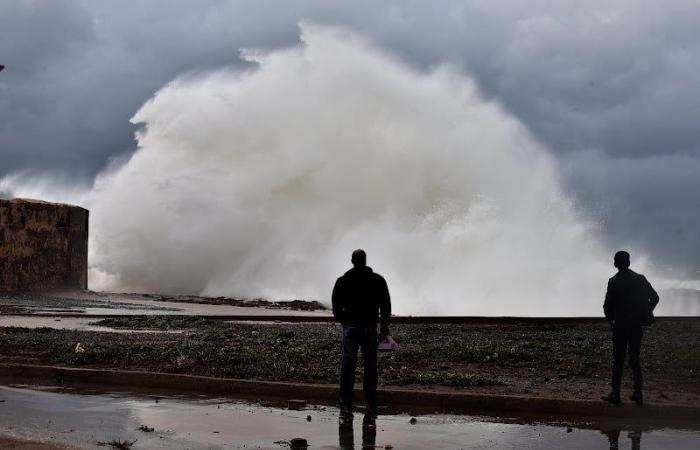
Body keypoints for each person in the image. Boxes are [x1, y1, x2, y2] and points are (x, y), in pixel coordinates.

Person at [332, 249, 391, 410]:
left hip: (351, 326)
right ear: (365, 260)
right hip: (370, 326)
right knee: (370, 363)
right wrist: (384, 326)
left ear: (352, 261)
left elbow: (336, 304)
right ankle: (371, 399)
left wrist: (343, 321)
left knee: (348, 363)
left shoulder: (343, 280)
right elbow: (385, 304)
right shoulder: (377, 280)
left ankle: (345, 399)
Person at [602, 250, 659, 405]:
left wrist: (611, 321)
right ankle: (638, 393)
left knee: (619, 360)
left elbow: (607, 306)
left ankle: (616, 393)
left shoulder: (614, 281)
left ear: (616, 263)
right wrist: (645, 313)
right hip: (635, 326)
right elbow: (654, 297)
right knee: (634, 359)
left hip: (620, 326)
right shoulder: (640, 279)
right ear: (628, 262)